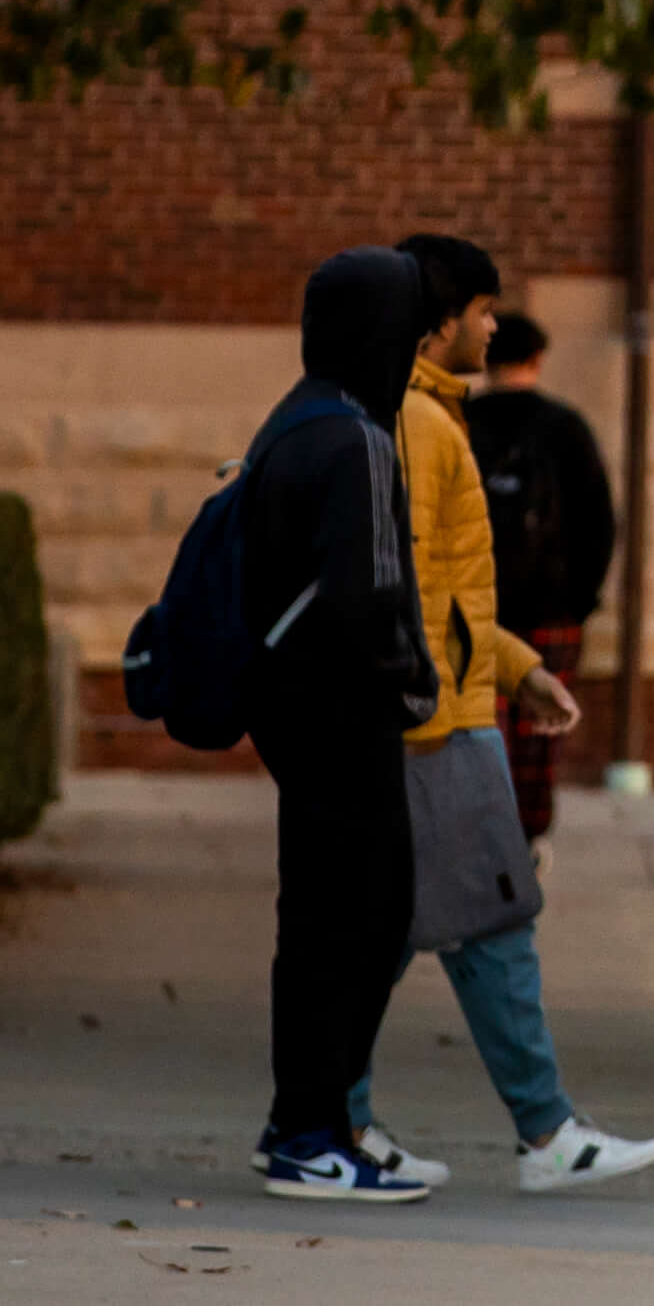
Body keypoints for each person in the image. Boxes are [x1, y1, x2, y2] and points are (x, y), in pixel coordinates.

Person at [359, 235, 654, 1193]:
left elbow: (445, 597)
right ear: (441, 321)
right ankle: (538, 1136)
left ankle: (332, 1118)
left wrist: (520, 667)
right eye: (484, 310)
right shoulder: (418, 423)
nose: (496, 326)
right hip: (435, 728)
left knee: (399, 928)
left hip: (448, 713)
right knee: (481, 919)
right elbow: (402, 591)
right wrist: (469, 691)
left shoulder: (426, 416)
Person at [240, 247, 445, 1203]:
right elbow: (368, 594)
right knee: (362, 920)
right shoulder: (359, 437)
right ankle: (312, 1133)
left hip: (295, 712)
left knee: (321, 923)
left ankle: (310, 1125)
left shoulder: (294, 419)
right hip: (344, 719)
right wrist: (411, 683)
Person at [470, 307, 622, 832]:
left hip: (474, 614)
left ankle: (484, 839)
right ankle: (529, 841)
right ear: (537, 358)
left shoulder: (460, 423)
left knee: (477, 739)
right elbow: (600, 524)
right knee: (539, 740)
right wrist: (579, 602)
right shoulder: (564, 428)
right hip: (551, 614)